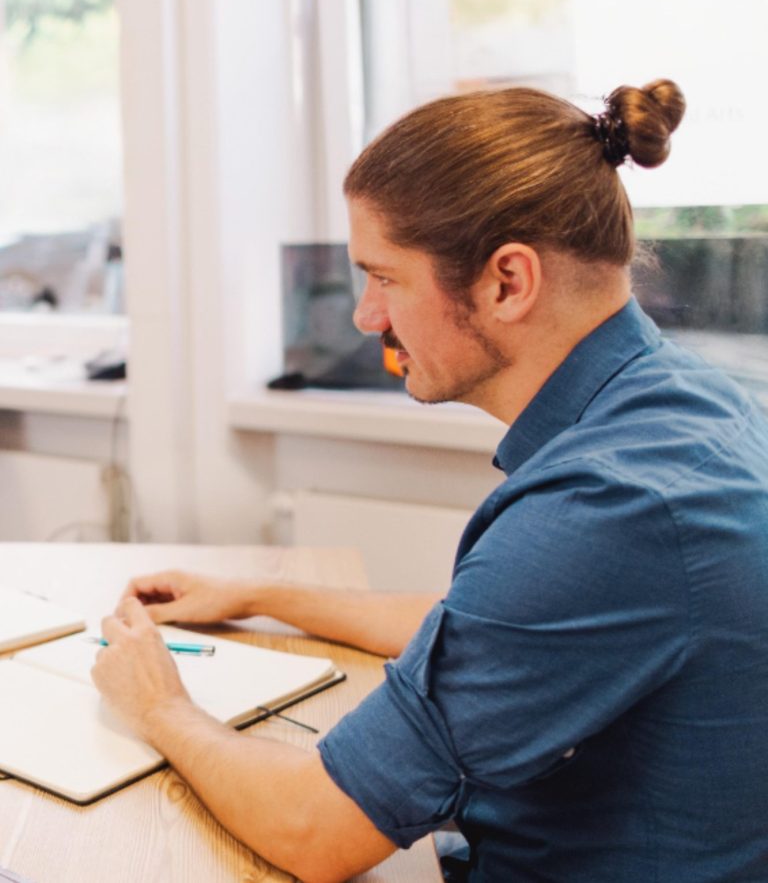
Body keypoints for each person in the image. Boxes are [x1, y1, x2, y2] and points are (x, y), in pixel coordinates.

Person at [91, 78, 768, 882]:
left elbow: (314, 830)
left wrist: (160, 704)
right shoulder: (685, 405)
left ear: (507, 282)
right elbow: (492, 628)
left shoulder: (607, 508)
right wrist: (257, 595)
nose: (366, 316)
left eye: (384, 278)